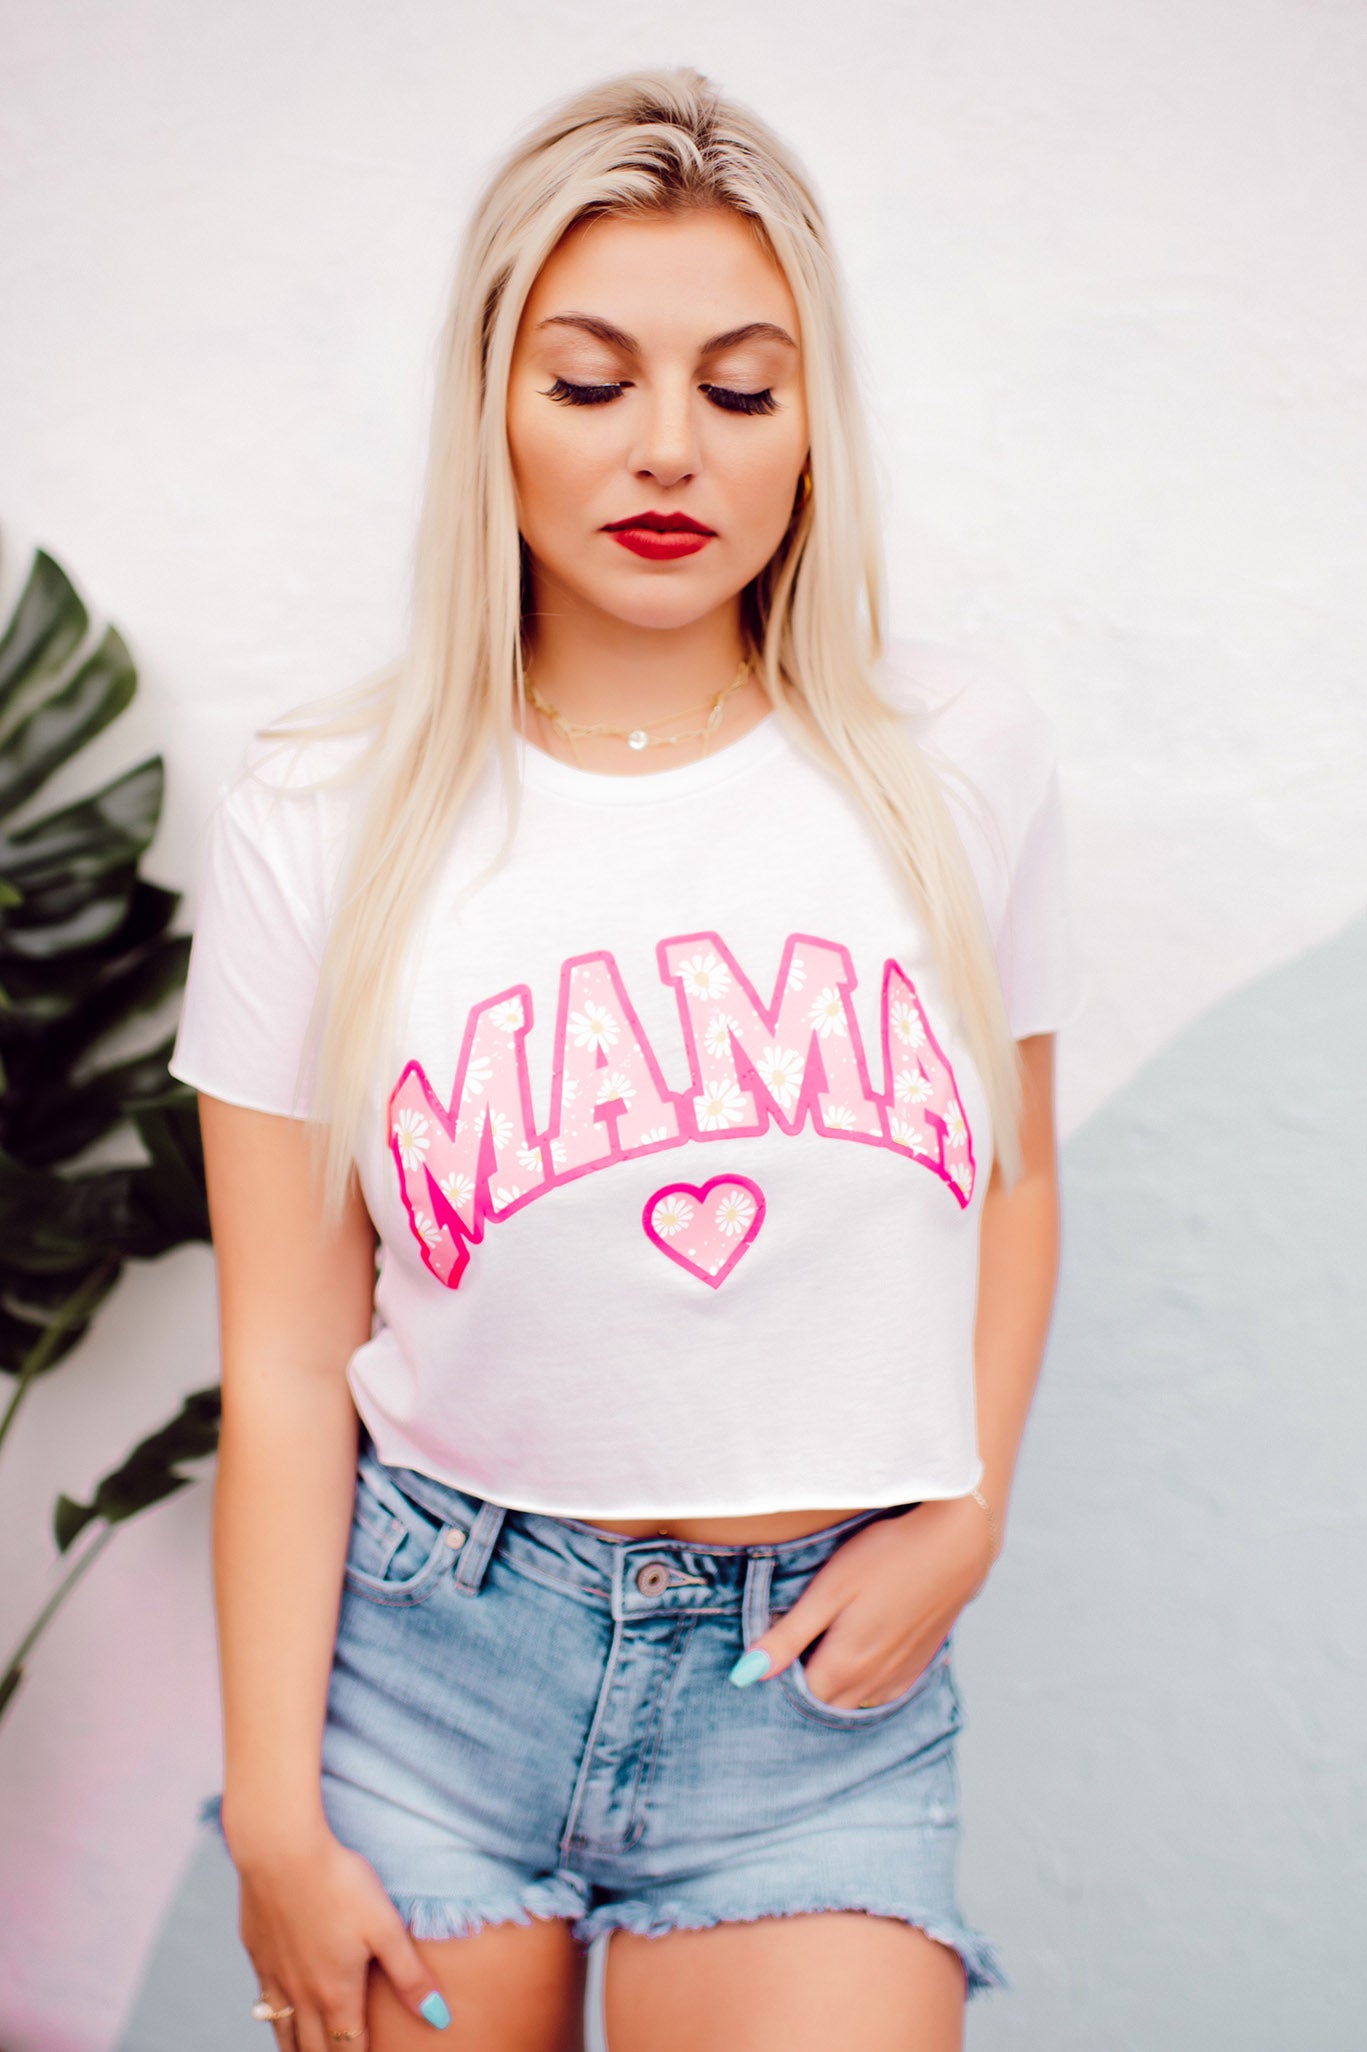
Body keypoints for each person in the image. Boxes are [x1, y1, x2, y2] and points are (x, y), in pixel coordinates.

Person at [168, 64, 1085, 2052]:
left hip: (811, 1712)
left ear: (813, 427)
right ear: (492, 403)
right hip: (430, 1673)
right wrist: (275, 1821)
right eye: (591, 382)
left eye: (742, 391)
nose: (669, 447)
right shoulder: (323, 811)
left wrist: (970, 1510)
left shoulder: (953, 762)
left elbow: (1014, 1180)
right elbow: (287, 1358)